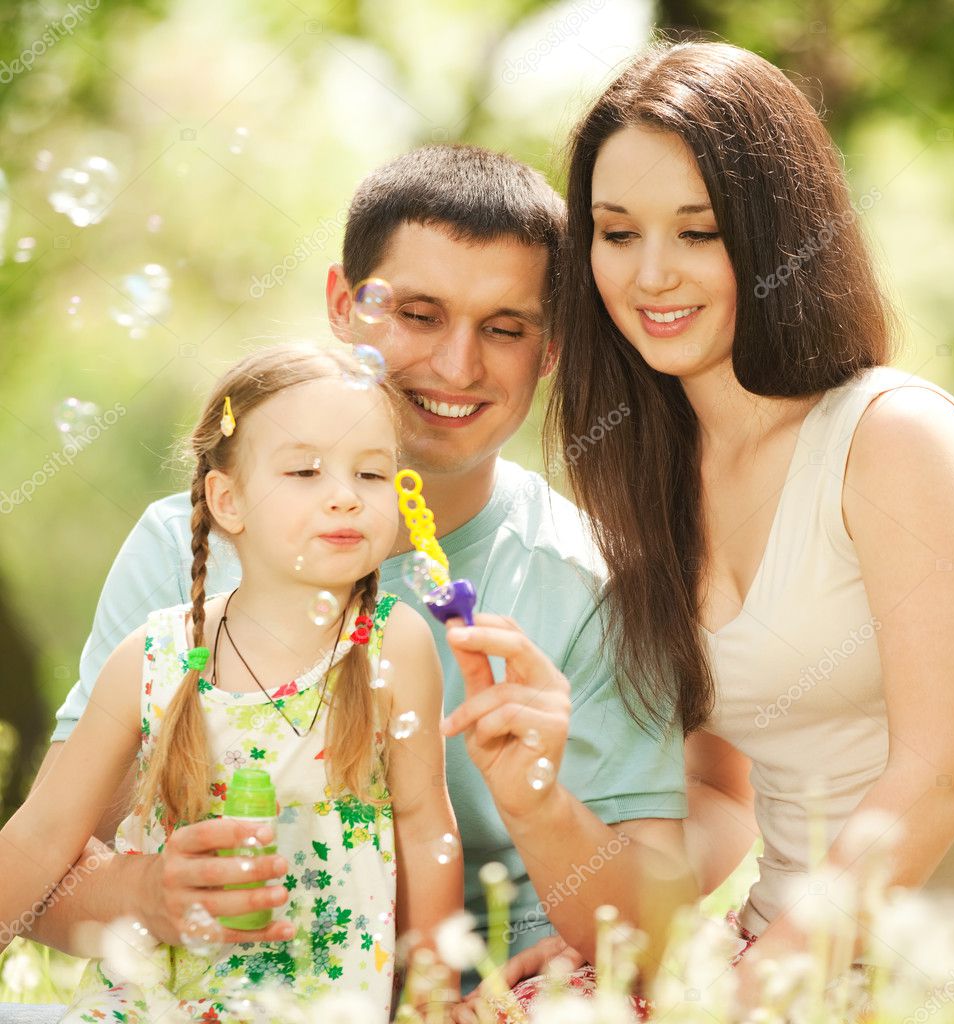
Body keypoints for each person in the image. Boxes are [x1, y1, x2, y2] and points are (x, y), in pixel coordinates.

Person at [23, 146, 691, 1000]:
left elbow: (664, 932)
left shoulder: (592, 582)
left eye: (504, 327)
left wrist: (540, 809)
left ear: (551, 346)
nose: (458, 367)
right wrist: (144, 893)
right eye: (419, 314)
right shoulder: (180, 550)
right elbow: (46, 865)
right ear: (345, 304)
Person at [548, 39, 954, 1001]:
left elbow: (943, 773)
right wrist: (602, 938)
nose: (651, 276)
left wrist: (753, 994)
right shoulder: (653, 478)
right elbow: (717, 783)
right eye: (616, 231)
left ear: (775, 236)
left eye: (699, 230)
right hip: (775, 949)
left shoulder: (894, 439)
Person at [1, 343, 463, 1022]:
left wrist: (434, 1000)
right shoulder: (152, 658)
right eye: (305, 470)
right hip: (149, 1006)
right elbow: (39, 841)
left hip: (321, 1006)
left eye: (371, 474)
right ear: (228, 499)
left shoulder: (394, 645)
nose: (345, 496)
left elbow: (427, 831)